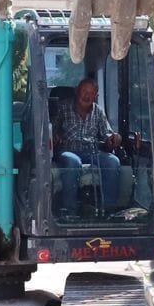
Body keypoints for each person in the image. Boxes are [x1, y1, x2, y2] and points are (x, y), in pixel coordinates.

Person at [52, 76, 126, 216]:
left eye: (91, 93)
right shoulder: (63, 107)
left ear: (96, 96)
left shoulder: (98, 111)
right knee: (73, 161)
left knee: (112, 161)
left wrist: (114, 139)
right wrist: (55, 137)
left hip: (91, 151)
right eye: (84, 91)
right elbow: (52, 131)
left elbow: (107, 135)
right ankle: (69, 211)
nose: (87, 96)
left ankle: (109, 211)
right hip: (67, 150)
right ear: (77, 91)